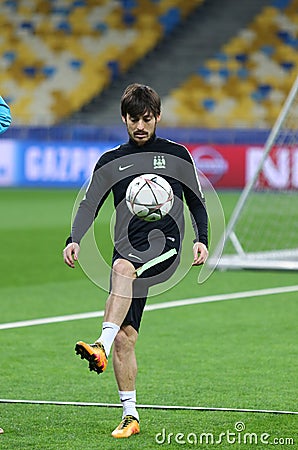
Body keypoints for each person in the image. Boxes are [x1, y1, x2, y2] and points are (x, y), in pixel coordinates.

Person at [63, 84, 208, 439]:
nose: (140, 125)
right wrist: (74, 238)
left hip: (166, 247)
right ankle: (130, 415)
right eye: (133, 119)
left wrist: (202, 239)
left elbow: (196, 201)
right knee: (127, 336)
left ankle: (100, 344)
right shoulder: (111, 161)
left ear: (157, 117)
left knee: (121, 269)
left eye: (147, 118)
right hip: (126, 246)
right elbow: (89, 203)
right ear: (124, 119)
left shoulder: (176, 155)